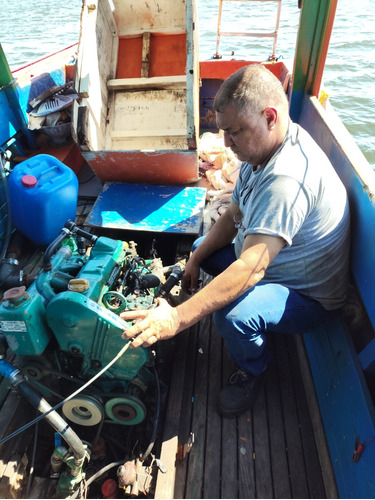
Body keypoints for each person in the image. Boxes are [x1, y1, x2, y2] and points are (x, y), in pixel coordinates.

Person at [121, 63, 350, 418]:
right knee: (202, 249)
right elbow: (232, 216)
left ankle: (253, 369)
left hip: (308, 293)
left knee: (233, 317)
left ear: (270, 116)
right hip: (269, 260)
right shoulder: (259, 149)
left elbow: (251, 269)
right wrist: (195, 260)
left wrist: (177, 319)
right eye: (224, 132)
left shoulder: (286, 180)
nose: (226, 144)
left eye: (235, 132)